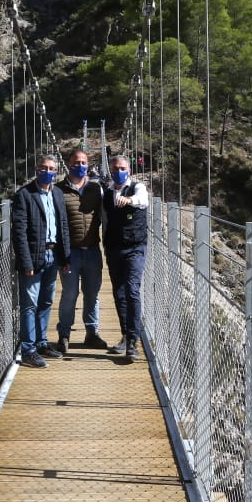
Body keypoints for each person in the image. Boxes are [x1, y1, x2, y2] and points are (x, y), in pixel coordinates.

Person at [11, 154, 71, 368]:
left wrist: (65, 257)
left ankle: (41, 342)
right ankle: (28, 350)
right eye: (43, 168)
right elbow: (19, 233)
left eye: (51, 168)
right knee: (29, 304)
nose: (47, 171)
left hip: (53, 255)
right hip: (34, 256)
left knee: (46, 302)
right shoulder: (24, 195)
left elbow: (63, 227)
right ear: (37, 169)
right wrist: (26, 262)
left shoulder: (57, 193)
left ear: (56, 171)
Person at [56, 149, 106, 354]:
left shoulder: (97, 189)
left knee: (92, 293)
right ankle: (64, 335)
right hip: (70, 252)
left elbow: (107, 215)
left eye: (84, 162)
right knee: (69, 293)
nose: (80, 165)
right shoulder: (57, 190)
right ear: (68, 164)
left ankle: (91, 333)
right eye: (76, 162)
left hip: (93, 249)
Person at [102, 154, 149, 362]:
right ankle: (125, 335)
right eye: (115, 169)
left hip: (135, 247)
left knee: (132, 290)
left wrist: (129, 199)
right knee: (119, 293)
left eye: (122, 168)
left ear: (129, 170)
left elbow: (143, 201)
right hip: (113, 248)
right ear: (110, 171)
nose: (119, 171)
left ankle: (133, 341)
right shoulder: (107, 192)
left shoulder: (138, 188)